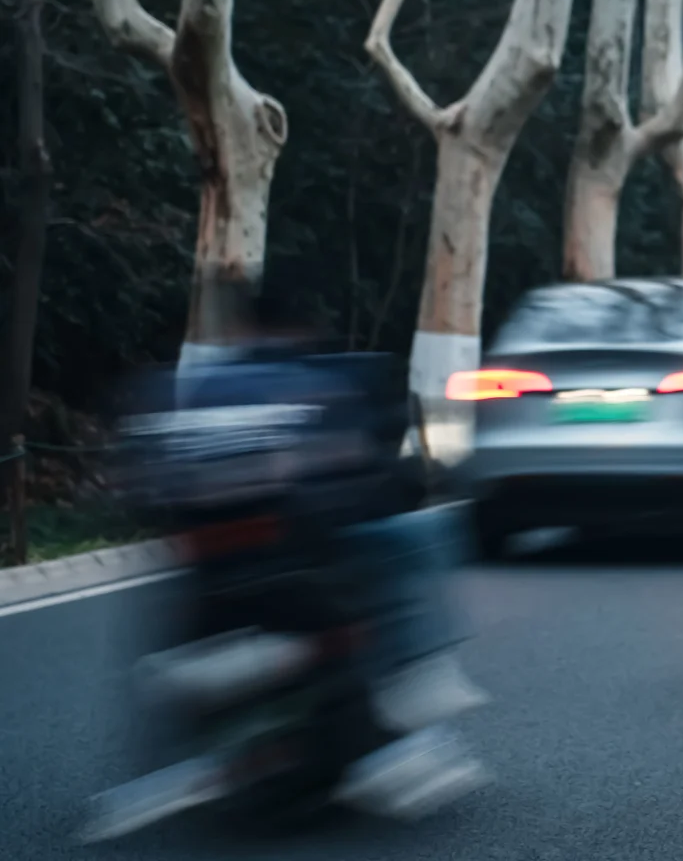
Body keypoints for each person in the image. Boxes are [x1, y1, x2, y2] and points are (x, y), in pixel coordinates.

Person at [113, 284, 488, 819]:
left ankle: (170, 748)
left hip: (211, 576)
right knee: (418, 536)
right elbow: (366, 479)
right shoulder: (319, 385)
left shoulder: (183, 389)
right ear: (302, 329)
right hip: (304, 566)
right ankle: (418, 672)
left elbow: (140, 486)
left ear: (238, 330)